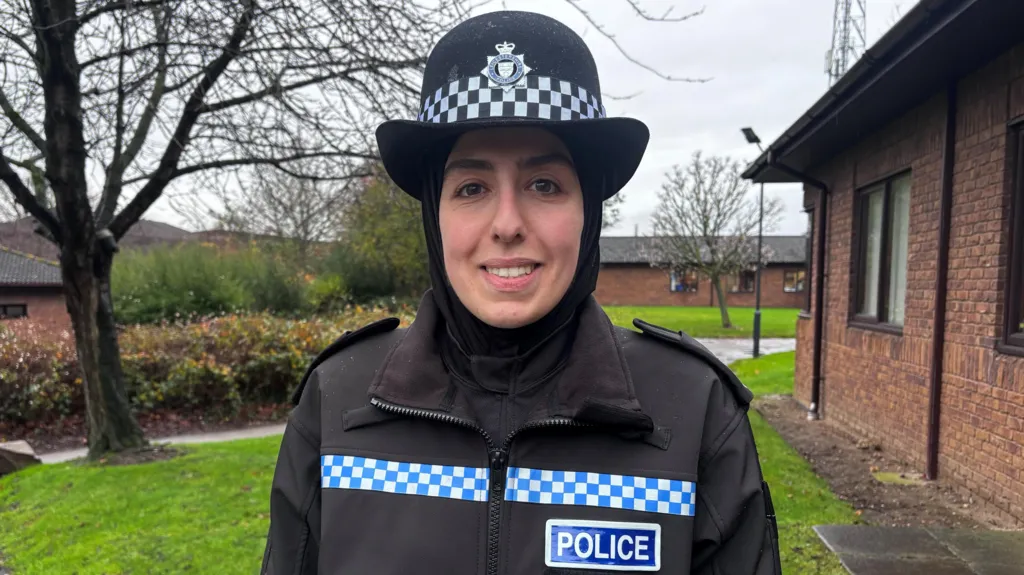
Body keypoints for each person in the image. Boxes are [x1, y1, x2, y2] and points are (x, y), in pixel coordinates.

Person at [261, 10, 781, 575]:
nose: (507, 224)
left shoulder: (695, 407)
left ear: (589, 211)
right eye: (472, 187)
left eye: (544, 184)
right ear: (435, 216)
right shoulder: (336, 397)